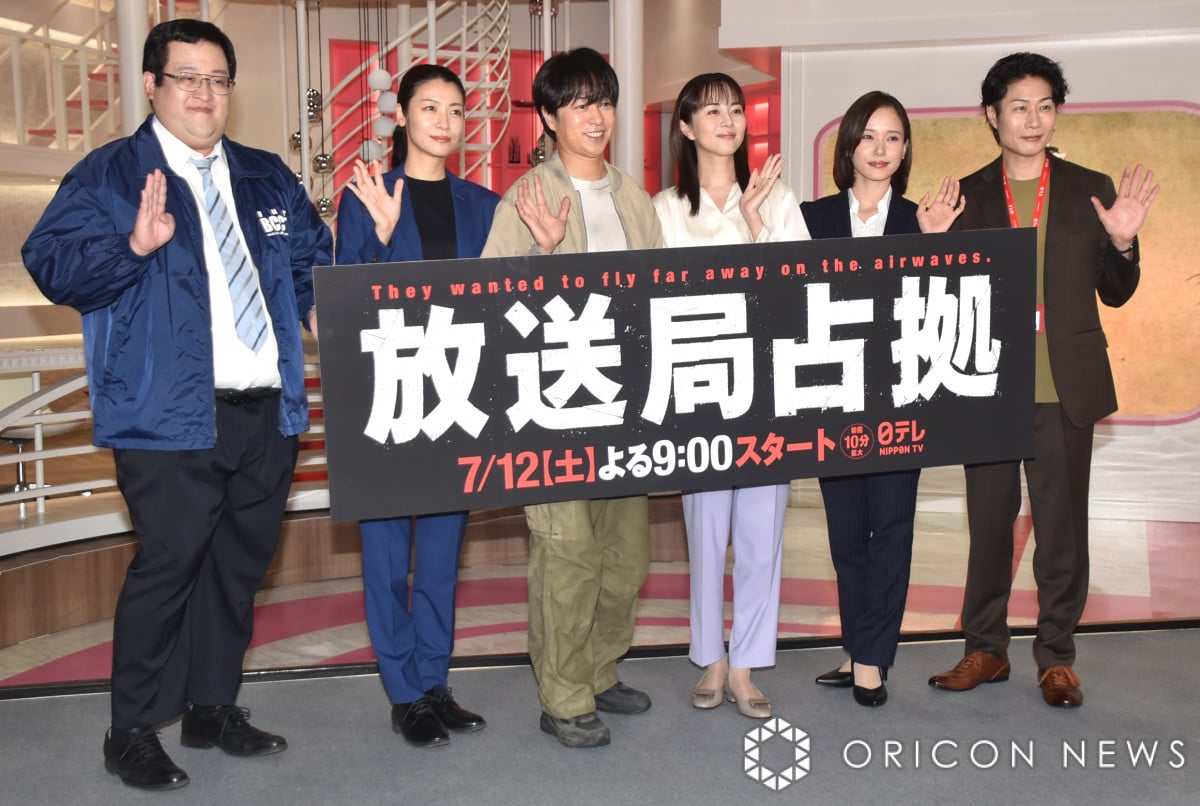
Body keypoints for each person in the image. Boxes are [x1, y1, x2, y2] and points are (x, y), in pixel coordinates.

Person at [21, 19, 331, 791]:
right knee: (167, 569)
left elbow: (310, 267)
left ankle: (212, 708)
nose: (204, 94)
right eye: (186, 78)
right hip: (165, 414)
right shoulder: (112, 175)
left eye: (217, 80)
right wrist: (130, 247)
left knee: (238, 569)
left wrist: (330, 303)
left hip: (268, 410)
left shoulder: (266, 176)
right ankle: (130, 729)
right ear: (151, 85)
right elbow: (51, 264)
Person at [927, 52, 1158, 708]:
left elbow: (1116, 292)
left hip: (1064, 388)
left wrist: (1122, 243)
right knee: (988, 529)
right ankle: (985, 649)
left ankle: (1057, 657)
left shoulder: (1090, 188)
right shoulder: (965, 196)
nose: (1033, 119)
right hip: (988, 390)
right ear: (992, 116)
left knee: (1061, 531)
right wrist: (932, 249)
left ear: (1057, 114)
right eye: (1019, 107)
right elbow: (941, 303)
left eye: (1045, 106)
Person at [480, 47, 664, 749]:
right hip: (553, 407)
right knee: (568, 554)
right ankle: (562, 695)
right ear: (551, 118)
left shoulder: (633, 197)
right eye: (580, 103)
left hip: (627, 407)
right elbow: (490, 305)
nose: (596, 116)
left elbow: (661, 298)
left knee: (626, 557)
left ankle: (598, 668)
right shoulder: (526, 198)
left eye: (604, 101)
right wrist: (547, 252)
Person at [335, 63, 498, 749]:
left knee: (439, 554)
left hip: (455, 394)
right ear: (400, 115)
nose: (444, 121)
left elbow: (501, 301)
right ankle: (403, 691)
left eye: (455, 110)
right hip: (387, 397)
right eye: (429, 107)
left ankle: (433, 680)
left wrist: (543, 252)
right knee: (385, 555)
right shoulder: (367, 195)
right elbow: (345, 301)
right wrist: (378, 238)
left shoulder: (483, 205)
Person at [651, 73, 809, 719]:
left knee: (761, 534)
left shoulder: (778, 198)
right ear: (686, 127)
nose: (728, 121)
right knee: (706, 531)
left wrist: (755, 227)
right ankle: (709, 657)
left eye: (736, 110)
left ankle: (744, 665)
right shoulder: (666, 209)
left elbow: (800, 288)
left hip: (767, 390)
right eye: (711, 111)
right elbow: (658, 296)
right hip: (699, 390)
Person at [801, 91, 964, 708]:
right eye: (868, 136)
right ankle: (856, 645)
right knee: (846, 533)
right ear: (848, 144)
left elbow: (942, 312)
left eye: (892, 138)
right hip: (832, 396)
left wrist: (934, 246)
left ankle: (873, 658)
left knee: (890, 528)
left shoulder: (923, 220)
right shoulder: (813, 218)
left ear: (905, 150)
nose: (879, 149)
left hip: (900, 399)